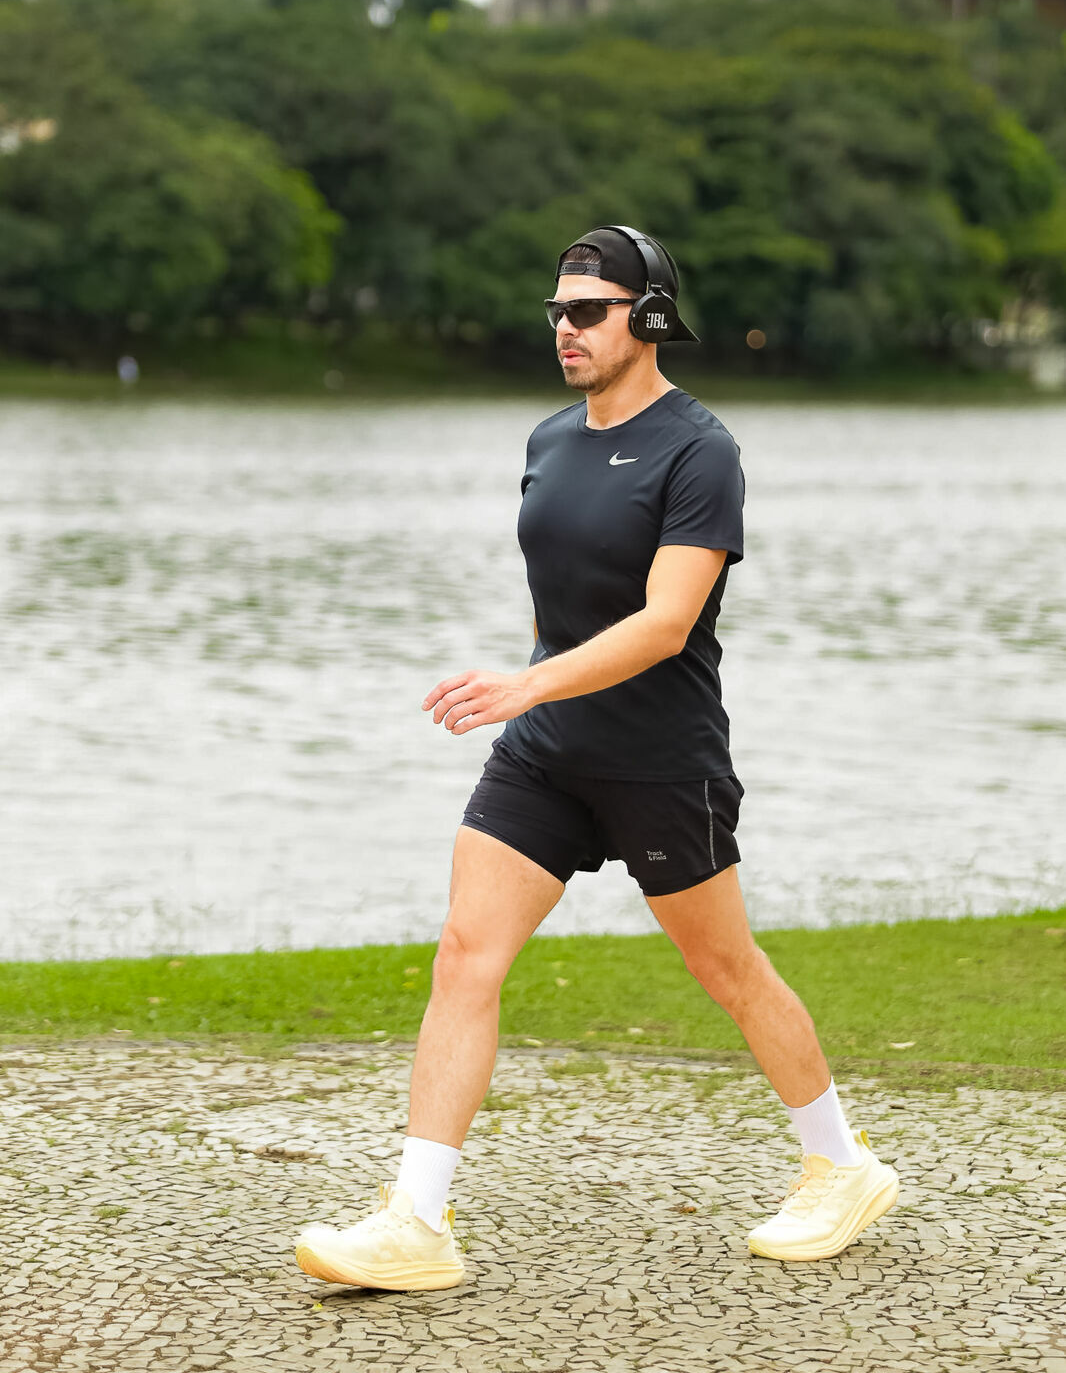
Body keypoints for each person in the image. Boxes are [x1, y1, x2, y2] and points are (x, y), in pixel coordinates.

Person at [294, 225, 899, 1290]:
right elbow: (563, 600)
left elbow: (668, 621)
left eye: (586, 311)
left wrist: (526, 680)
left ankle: (841, 1165)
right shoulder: (548, 439)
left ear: (648, 317)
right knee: (464, 953)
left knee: (726, 969)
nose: (563, 329)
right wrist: (530, 698)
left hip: (660, 759)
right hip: (544, 754)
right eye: (555, 312)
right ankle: (415, 1222)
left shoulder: (699, 449)